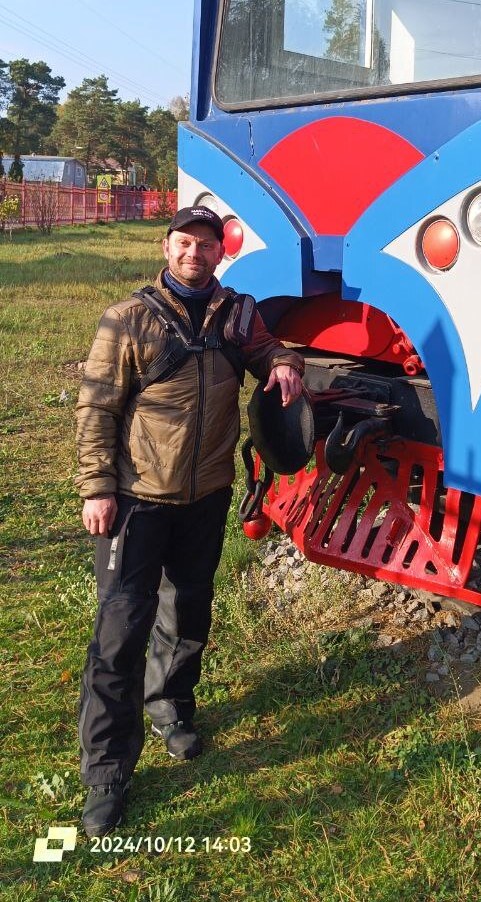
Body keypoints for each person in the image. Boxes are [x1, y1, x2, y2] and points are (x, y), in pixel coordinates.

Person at [74, 205, 304, 837]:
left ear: (218, 253)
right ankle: (107, 772)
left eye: (205, 244)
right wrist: (98, 488)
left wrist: (284, 361)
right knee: (121, 633)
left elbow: (265, 348)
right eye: (183, 243)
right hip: (137, 499)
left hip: (206, 496)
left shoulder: (237, 313)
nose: (193, 254)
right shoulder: (128, 320)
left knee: (189, 612)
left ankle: (171, 708)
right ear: (167, 247)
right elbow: (95, 409)